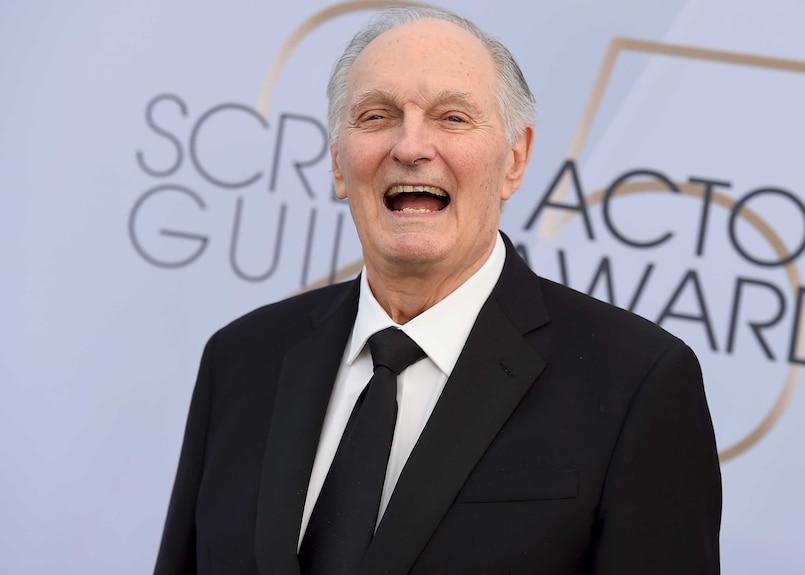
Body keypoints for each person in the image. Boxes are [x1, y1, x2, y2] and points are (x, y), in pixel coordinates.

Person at [154, 6, 721, 574]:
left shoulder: (636, 383)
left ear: (514, 160)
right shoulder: (240, 360)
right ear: (336, 163)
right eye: (376, 116)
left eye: (452, 118)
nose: (410, 147)